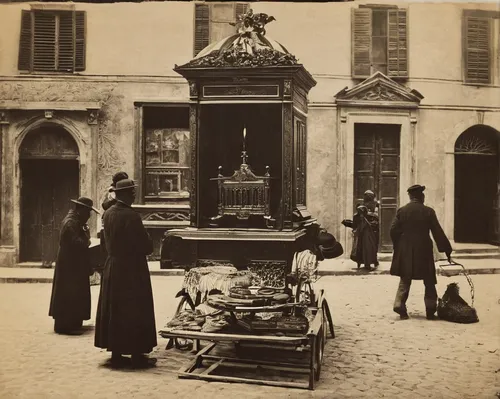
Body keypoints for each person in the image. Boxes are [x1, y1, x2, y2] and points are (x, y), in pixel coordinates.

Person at [95, 178, 157, 368]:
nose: (133, 195)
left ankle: (116, 352)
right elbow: (146, 247)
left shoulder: (108, 214)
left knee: (115, 308)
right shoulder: (131, 216)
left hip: (113, 266)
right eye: (131, 192)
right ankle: (137, 353)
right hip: (132, 268)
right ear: (123, 194)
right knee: (135, 308)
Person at [390, 184, 452, 320]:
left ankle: (399, 304)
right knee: (429, 280)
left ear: (410, 197)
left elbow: (393, 230)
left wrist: (399, 245)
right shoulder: (428, 211)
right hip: (424, 249)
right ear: (421, 196)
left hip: (406, 250)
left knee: (405, 279)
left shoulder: (402, 211)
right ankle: (430, 310)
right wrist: (446, 249)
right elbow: (437, 232)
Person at [49, 197, 99, 334]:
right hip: (69, 265)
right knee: (69, 293)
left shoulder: (76, 221)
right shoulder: (70, 222)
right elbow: (75, 243)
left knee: (75, 293)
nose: (89, 215)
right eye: (88, 212)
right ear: (81, 210)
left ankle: (74, 322)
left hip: (75, 264)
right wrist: (87, 240)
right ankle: (65, 325)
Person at [343, 205, 378, 270]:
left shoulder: (370, 217)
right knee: (360, 249)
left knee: (368, 249)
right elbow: (356, 225)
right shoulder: (357, 217)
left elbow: (370, 225)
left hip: (367, 236)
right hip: (361, 236)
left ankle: (368, 264)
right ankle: (361, 263)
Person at [363, 190, 380, 261]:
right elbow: (375, 215)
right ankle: (371, 261)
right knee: (372, 245)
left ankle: (373, 260)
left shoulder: (365, 204)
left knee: (371, 245)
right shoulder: (372, 204)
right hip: (370, 227)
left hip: (370, 227)